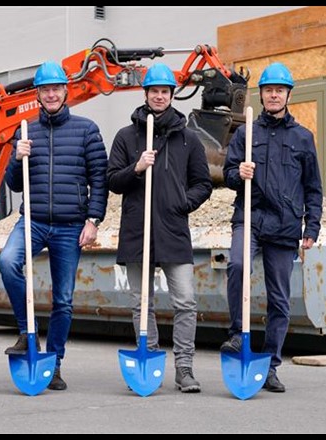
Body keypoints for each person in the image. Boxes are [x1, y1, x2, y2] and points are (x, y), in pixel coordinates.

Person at [0, 61, 108, 391]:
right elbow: (13, 185)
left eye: (56, 88)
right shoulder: (25, 130)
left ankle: (54, 363)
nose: (50, 94)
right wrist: (17, 157)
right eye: (45, 89)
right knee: (7, 261)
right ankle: (24, 330)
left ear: (65, 91)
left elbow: (99, 179)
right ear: (38, 95)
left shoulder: (87, 130)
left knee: (63, 299)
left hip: (70, 226)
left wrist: (93, 220)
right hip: (32, 220)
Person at [107, 63, 212, 393]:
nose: (159, 96)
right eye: (154, 91)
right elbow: (112, 180)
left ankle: (184, 368)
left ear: (171, 95)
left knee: (185, 301)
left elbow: (202, 183)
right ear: (146, 94)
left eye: (165, 91)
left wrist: (183, 203)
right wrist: (136, 168)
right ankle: (148, 357)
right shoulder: (126, 137)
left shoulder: (188, 139)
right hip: (138, 231)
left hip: (173, 230)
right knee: (142, 303)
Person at [220, 62, 323, 393]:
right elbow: (228, 174)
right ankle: (238, 334)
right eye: (268, 90)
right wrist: (241, 174)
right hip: (249, 216)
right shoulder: (245, 132)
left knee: (280, 299)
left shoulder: (303, 138)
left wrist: (312, 226)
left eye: (279, 90)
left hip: (285, 224)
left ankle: (271, 365)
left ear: (288, 94)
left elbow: (313, 187)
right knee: (237, 265)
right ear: (261, 95)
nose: (274, 95)